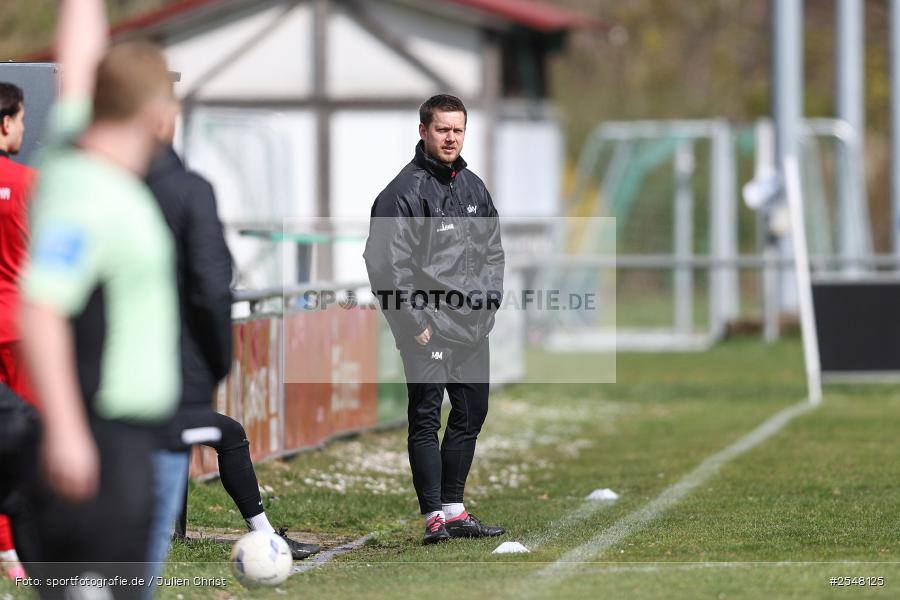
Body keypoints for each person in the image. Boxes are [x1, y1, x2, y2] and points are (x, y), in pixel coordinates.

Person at [17, 0, 180, 596]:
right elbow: (42, 306)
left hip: (121, 440)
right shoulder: (90, 191)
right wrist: (66, 430)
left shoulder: (74, 145)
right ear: (157, 113)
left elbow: (81, 60)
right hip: (99, 444)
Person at [143, 98, 320, 593]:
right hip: (143, 394)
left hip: (125, 387)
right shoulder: (184, 192)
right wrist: (215, 362)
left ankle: (261, 533)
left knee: (224, 432)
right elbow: (212, 284)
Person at [364, 94, 506, 545]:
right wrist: (415, 323)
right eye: (442, 129)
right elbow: (385, 265)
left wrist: (488, 305)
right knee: (426, 417)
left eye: (458, 130)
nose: (451, 137)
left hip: (471, 327)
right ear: (423, 131)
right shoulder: (401, 193)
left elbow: (493, 252)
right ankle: (433, 518)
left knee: (471, 412)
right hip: (426, 329)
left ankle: (455, 509)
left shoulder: (473, 188)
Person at [0, 81, 35, 582]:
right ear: (6, 122)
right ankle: (15, 549)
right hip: (19, 327)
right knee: (22, 440)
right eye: (23, 118)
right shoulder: (32, 182)